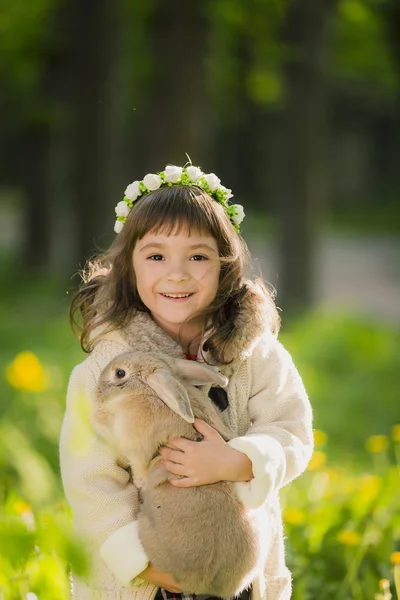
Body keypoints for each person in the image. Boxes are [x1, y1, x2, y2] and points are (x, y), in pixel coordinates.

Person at [60, 163, 313, 600]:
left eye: (197, 256)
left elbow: (290, 429)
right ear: (130, 266)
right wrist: (144, 564)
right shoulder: (106, 369)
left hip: (234, 566)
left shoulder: (258, 355)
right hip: (147, 575)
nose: (176, 274)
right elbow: (90, 477)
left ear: (224, 265)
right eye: (156, 256)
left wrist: (240, 462)